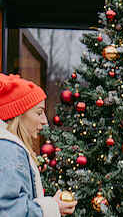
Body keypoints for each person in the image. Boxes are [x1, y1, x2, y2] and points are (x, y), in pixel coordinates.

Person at [0, 74, 77, 216]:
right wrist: (51, 208)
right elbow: (8, 210)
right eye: (39, 112)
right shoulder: (9, 150)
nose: (45, 121)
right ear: (19, 114)